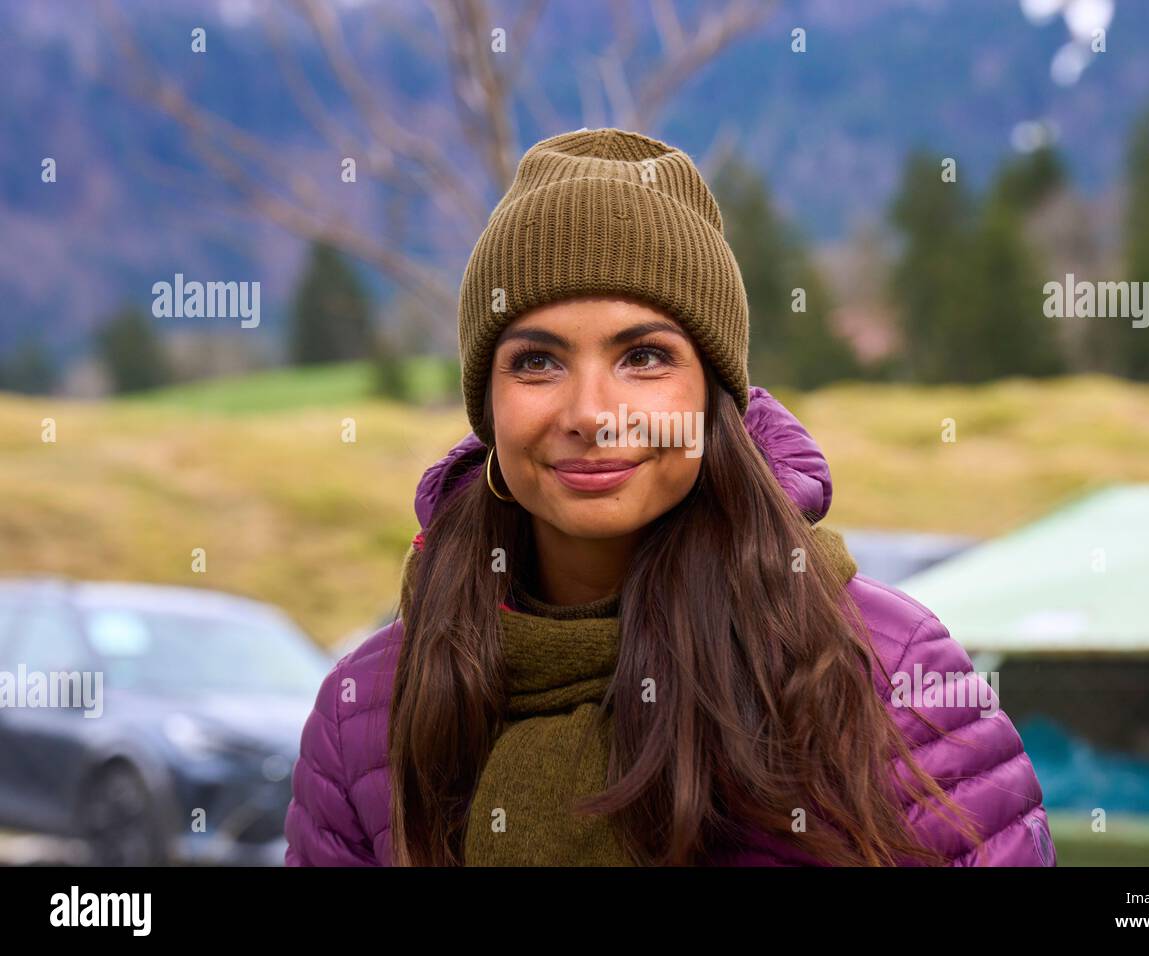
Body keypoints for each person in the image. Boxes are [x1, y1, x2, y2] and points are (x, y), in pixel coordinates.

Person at [285, 128, 1055, 867]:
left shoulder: (883, 672)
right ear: (487, 408)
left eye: (644, 356)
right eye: (537, 363)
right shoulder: (369, 711)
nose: (590, 413)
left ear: (714, 397)